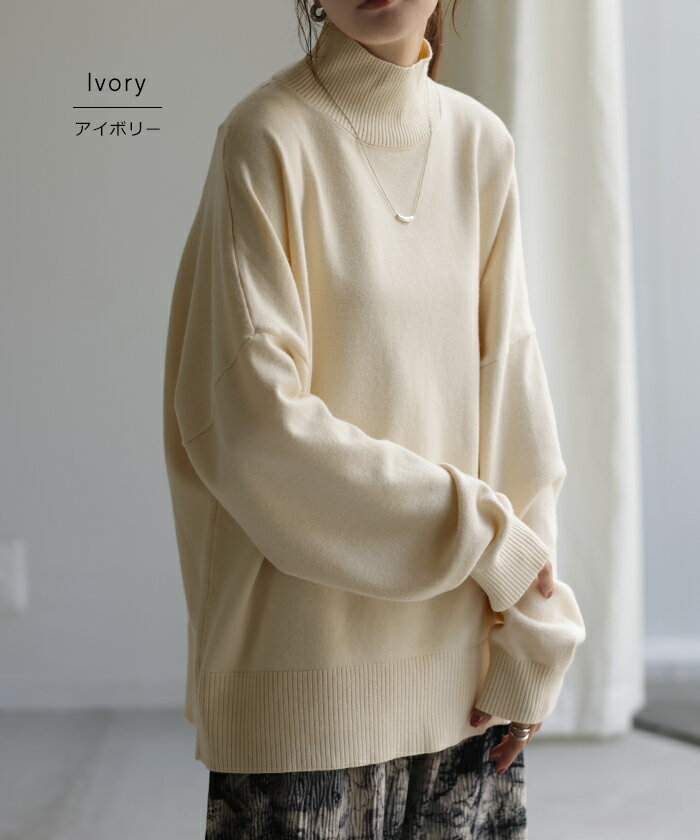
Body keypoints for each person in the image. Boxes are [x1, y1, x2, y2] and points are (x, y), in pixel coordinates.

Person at [162, 0, 587, 837]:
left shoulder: (481, 145)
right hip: (305, 688)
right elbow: (255, 429)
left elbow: (515, 401)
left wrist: (534, 624)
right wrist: (487, 541)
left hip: (467, 693)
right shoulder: (265, 138)